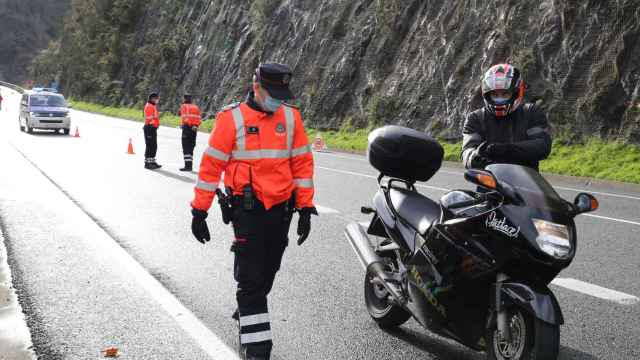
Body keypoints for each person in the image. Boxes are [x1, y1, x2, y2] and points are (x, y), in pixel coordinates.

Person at [190, 63, 316, 360]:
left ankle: (247, 310)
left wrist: (306, 207)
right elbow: (211, 169)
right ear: (256, 86)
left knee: (267, 273)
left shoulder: (291, 117)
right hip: (247, 211)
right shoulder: (231, 119)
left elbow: (302, 165)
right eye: (273, 93)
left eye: (282, 94)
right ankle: (257, 350)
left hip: (281, 211)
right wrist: (199, 210)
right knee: (250, 281)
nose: (278, 100)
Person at [461, 63, 552, 171]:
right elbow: (466, 152)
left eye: (505, 94)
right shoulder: (475, 118)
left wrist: (507, 150)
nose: (499, 99)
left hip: (526, 179)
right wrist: (476, 156)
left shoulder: (531, 112)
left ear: (516, 93)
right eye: (495, 95)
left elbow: (542, 145)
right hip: (489, 181)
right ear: (486, 95)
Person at [178, 94, 202, 171]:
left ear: (184, 99)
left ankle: (187, 166)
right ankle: (190, 165)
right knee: (191, 146)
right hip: (194, 128)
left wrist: (182, 125)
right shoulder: (195, 107)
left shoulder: (184, 106)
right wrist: (196, 125)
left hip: (187, 128)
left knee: (186, 147)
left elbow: (183, 116)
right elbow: (198, 118)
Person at [143, 92, 162, 170]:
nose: (157, 100)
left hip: (152, 128)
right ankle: (147, 163)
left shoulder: (153, 106)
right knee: (150, 146)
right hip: (149, 128)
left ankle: (152, 162)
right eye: (156, 98)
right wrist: (153, 125)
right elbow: (149, 118)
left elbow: (154, 117)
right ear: (152, 98)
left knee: (154, 146)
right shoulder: (149, 106)